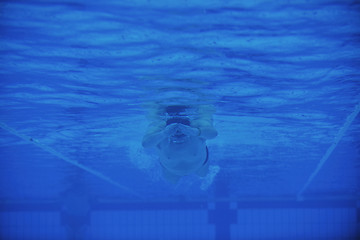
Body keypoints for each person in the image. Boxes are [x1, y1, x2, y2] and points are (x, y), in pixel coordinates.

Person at [142, 105, 217, 183]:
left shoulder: (197, 126)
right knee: (171, 185)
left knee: (203, 175)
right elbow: (145, 144)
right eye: (174, 133)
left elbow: (213, 134)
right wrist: (163, 134)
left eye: (183, 133)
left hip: (201, 165)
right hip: (170, 171)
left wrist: (195, 131)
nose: (178, 136)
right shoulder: (159, 129)